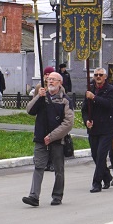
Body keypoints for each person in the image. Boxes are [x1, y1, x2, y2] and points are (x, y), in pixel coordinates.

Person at [22, 72, 74, 207]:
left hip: (57, 140)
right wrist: (39, 96)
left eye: (53, 80)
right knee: (38, 166)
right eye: (49, 79)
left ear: (60, 83)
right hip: (40, 138)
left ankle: (57, 195)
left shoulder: (65, 100)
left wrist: (51, 137)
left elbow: (68, 123)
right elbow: (30, 110)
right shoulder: (42, 96)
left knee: (58, 169)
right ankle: (34, 196)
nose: (50, 82)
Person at [82, 67, 113, 192]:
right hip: (94, 128)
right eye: (96, 74)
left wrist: (94, 98)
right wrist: (86, 120)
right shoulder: (90, 89)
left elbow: (109, 104)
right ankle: (107, 176)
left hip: (107, 128)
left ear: (105, 77)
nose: (98, 77)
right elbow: (84, 109)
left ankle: (96, 183)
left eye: (100, 75)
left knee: (101, 155)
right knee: (95, 155)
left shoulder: (111, 90)